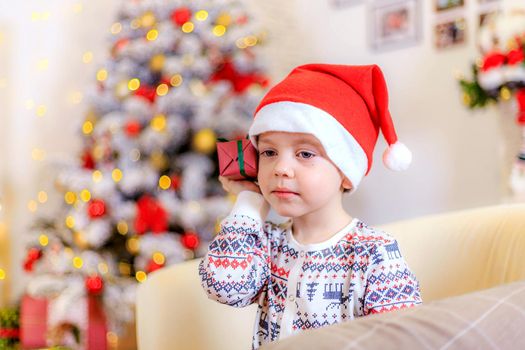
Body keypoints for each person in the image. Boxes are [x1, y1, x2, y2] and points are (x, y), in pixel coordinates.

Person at [199, 64, 422, 349]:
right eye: (269, 152)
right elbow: (225, 287)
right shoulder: (266, 242)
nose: (281, 168)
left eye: (305, 153)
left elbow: (404, 341)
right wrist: (248, 201)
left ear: (344, 170)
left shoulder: (375, 251)